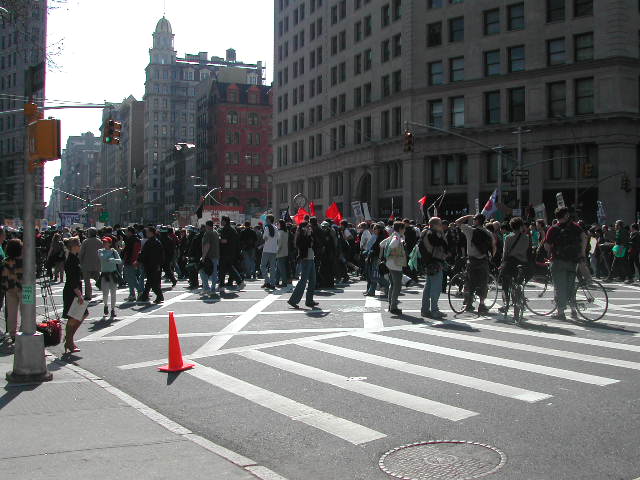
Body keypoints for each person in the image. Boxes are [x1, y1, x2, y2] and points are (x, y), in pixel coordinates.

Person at [544, 207, 587, 320]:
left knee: (559, 287)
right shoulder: (574, 226)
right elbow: (584, 237)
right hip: (572, 261)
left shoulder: (553, 229)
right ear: (566, 215)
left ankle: (561, 312)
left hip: (557, 261)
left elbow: (547, 245)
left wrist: (550, 251)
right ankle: (573, 310)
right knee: (571, 286)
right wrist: (582, 252)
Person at [455, 213, 496, 314]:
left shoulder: (470, 230)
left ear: (476, 221)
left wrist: (468, 216)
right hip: (483, 261)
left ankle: (468, 304)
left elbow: (457, 222)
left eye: (474, 219)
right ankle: (481, 305)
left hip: (472, 260)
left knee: (469, 282)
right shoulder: (488, 233)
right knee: (483, 283)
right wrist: (491, 257)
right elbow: (494, 246)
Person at [499, 217, 531, 314]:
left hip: (510, 263)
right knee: (518, 283)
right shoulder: (526, 237)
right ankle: (519, 301)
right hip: (522, 263)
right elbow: (527, 250)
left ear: (511, 227)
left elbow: (504, 253)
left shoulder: (508, 237)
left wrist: (502, 263)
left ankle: (506, 304)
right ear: (521, 226)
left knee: (505, 283)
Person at [420, 217, 448, 319]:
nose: (442, 226)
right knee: (435, 288)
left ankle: (425, 310)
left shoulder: (424, 232)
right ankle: (434, 311)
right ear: (435, 225)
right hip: (435, 263)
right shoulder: (433, 234)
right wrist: (442, 233)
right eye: (440, 224)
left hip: (427, 263)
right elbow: (444, 245)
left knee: (427, 288)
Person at [61, 237, 86, 353]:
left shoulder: (74, 258)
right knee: (74, 317)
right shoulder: (71, 260)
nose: (80, 246)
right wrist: (79, 294)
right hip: (72, 291)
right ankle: (69, 342)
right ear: (74, 246)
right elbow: (72, 280)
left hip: (74, 289)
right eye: (79, 244)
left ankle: (69, 340)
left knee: (79, 316)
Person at [287, 221, 318, 309]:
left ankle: (309, 300)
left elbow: (314, 243)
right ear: (303, 228)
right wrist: (307, 235)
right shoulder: (301, 236)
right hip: (306, 259)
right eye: (307, 227)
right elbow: (303, 246)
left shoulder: (309, 235)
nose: (309, 228)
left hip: (311, 258)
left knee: (313, 280)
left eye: (309, 227)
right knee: (303, 280)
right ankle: (293, 300)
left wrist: (310, 235)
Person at [380, 221, 407, 315]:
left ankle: (391, 304)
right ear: (400, 229)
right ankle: (393, 307)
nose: (404, 230)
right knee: (397, 286)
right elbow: (392, 245)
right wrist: (395, 252)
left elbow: (381, 244)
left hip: (390, 264)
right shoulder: (396, 237)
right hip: (395, 264)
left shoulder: (392, 235)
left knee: (393, 284)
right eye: (404, 228)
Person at [0, 239, 23, 342]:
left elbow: (4, 276)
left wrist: (5, 287)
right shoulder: (23, 260)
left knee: (11, 312)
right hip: (23, 288)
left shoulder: (6, 261)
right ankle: (24, 330)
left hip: (10, 288)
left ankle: (13, 333)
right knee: (25, 311)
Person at [138, 226, 165, 304]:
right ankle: (145, 296)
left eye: (147, 232)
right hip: (153, 265)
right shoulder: (155, 241)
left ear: (151, 233)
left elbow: (144, 253)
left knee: (153, 282)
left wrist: (139, 260)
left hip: (152, 265)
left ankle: (159, 296)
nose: (146, 233)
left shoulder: (153, 242)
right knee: (150, 282)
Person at [98, 237, 122, 318]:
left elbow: (119, 261)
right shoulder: (100, 251)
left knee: (113, 293)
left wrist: (113, 260)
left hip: (113, 274)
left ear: (110, 243)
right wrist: (108, 256)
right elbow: (101, 257)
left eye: (106, 242)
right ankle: (105, 305)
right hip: (104, 274)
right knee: (105, 293)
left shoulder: (114, 251)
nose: (104, 243)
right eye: (103, 242)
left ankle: (112, 309)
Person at [219, 216, 245, 291]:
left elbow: (225, 241)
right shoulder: (233, 230)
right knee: (228, 268)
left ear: (225, 221)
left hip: (226, 252)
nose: (221, 222)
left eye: (222, 221)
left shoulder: (226, 229)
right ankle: (222, 285)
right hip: (232, 252)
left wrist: (218, 239)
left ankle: (222, 285)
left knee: (224, 268)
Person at [122, 226, 143, 301]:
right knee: (131, 278)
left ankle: (137, 292)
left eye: (126, 231)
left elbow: (129, 251)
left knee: (131, 278)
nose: (125, 233)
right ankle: (133, 293)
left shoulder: (131, 240)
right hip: (134, 260)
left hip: (130, 261)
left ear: (130, 232)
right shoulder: (137, 239)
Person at [200, 220, 220, 298]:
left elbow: (207, 245)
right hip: (216, 255)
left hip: (209, 256)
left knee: (202, 271)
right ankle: (213, 289)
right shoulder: (216, 232)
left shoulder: (207, 233)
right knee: (214, 273)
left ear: (207, 226)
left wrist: (203, 256)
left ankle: (206, 288)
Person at [260, 214, 278, 289]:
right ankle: (272, 283)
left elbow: (265, 237)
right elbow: (278, 238)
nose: (265, 220)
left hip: (267, 249)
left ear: (269, 220)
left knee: (263, 266)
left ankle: (267, 281)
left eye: (266, 219)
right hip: (274, 250)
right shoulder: (276, 228)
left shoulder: (266, 227)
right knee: (272, 267)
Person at [276, 219, 293, 291]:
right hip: (285, 251)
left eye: (278, 224)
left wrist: (276, 251)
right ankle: (276, 281)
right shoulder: (286, 232)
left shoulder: (280, 232)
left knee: (281, 268)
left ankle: (284, 282)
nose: (277, 225)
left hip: (280, 252)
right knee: (279, 268)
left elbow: (279, 243)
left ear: (280, 224)